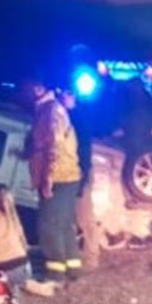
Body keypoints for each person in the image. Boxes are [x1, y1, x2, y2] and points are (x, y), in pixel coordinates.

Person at [25, 81, 82, 282]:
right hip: (69, 176)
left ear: (38, 88)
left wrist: (47, 179)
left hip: (58, 177)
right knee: (64, 224)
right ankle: (72, 268)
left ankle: (54, 273)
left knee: (48, 225)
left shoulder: (49, 111)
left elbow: (53, 147)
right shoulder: (53, 109)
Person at [57, 88, 100, 270]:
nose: (63, 97)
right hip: (68, 174)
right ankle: (73, 257)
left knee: (84, 217)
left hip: (79, 173)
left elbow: (83, 150)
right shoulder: (65, 116)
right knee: (69, 218)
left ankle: (91, 258)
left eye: (67, 94)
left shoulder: (78, 119)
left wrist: (82, 177)